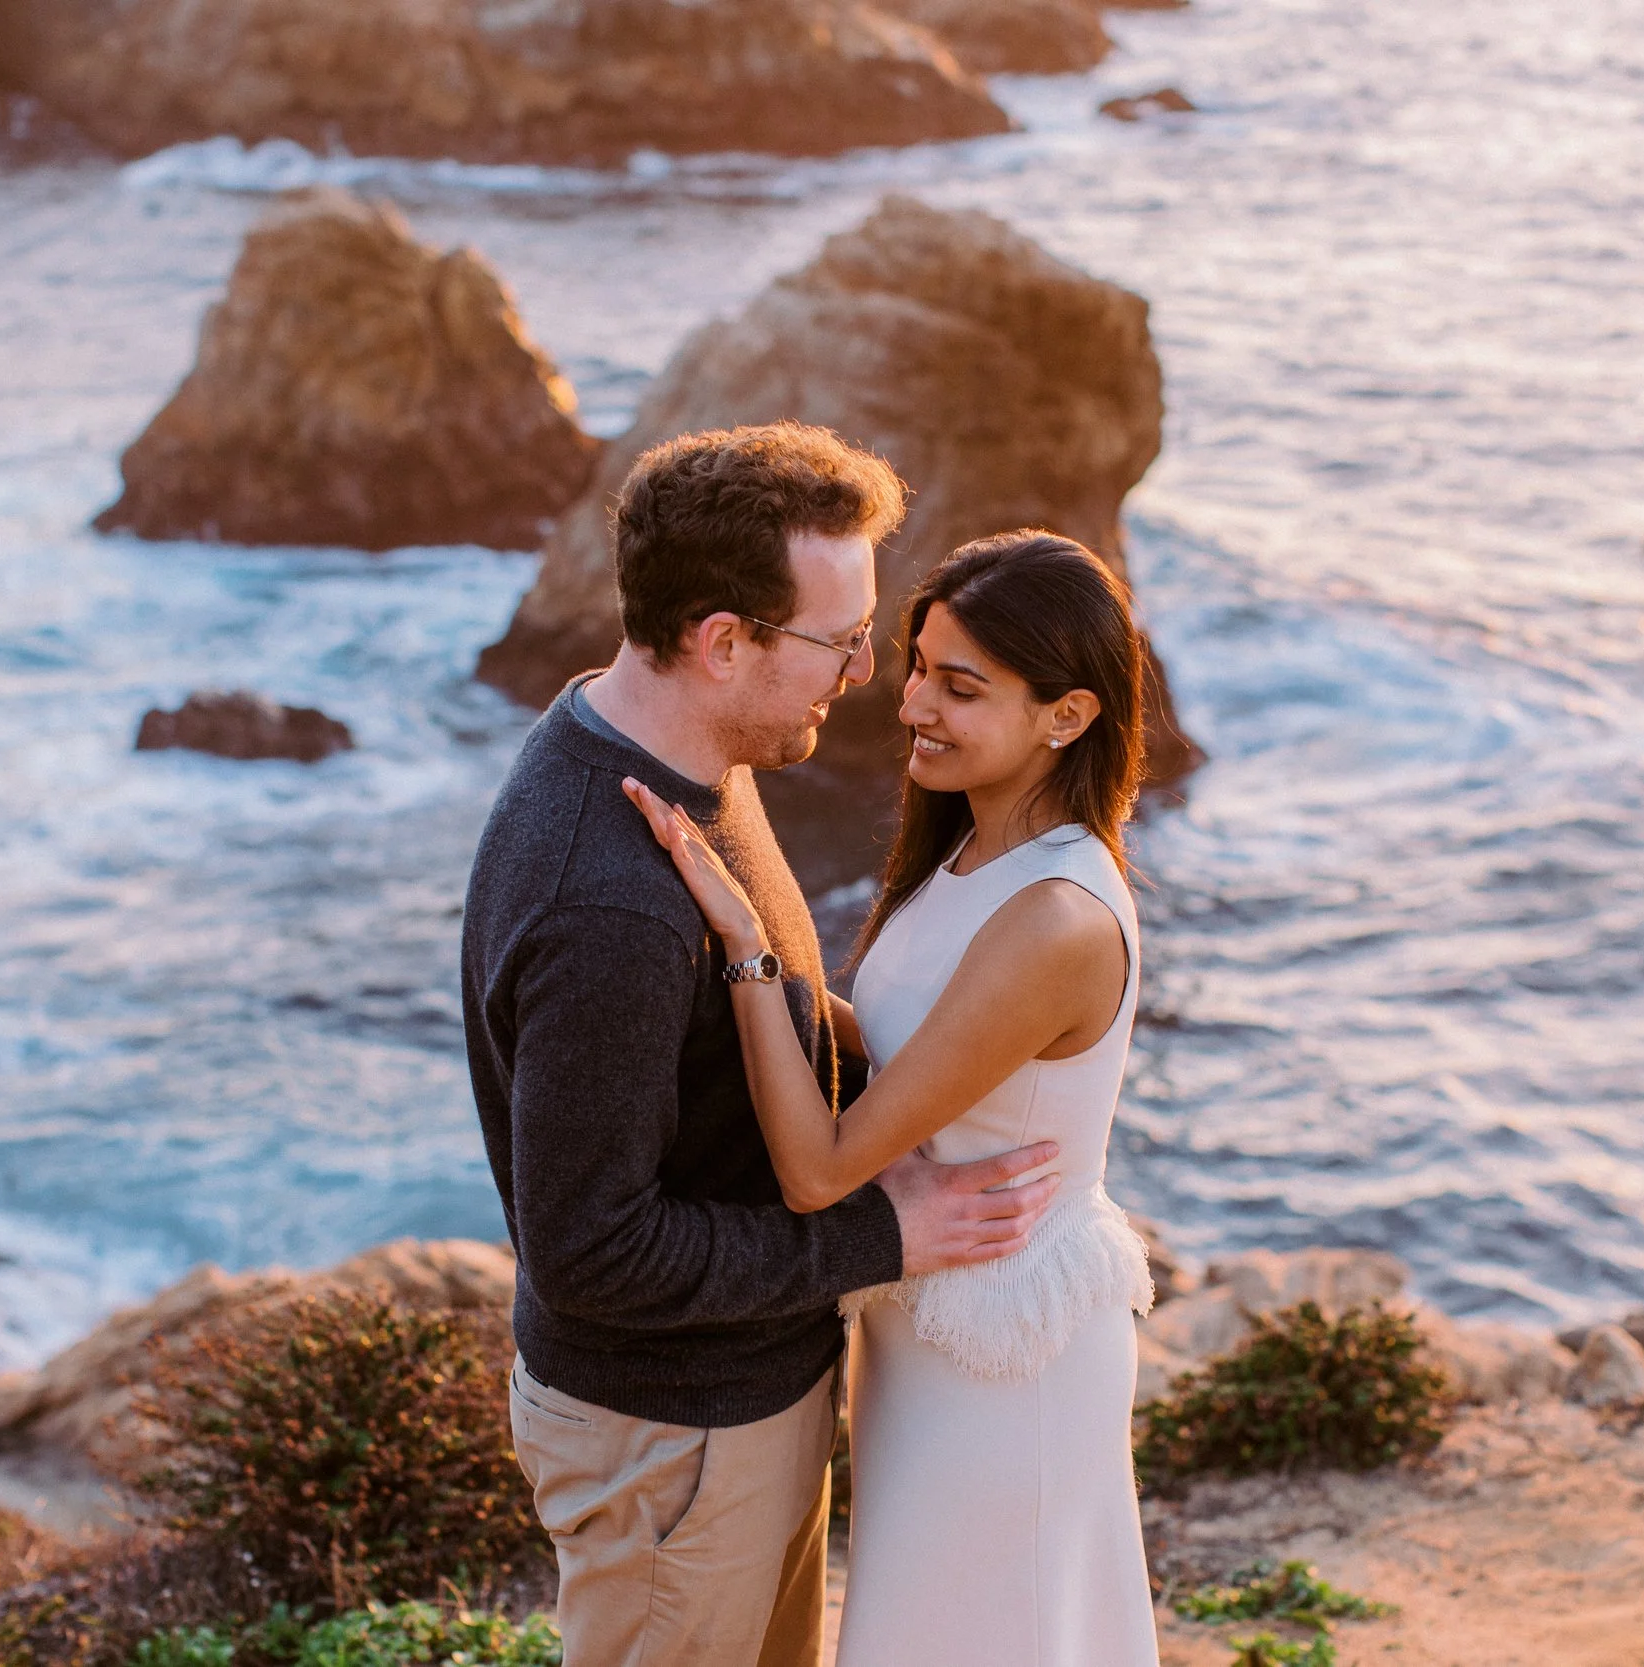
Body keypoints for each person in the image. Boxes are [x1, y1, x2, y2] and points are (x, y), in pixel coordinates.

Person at [461, 423, 1066, 1667]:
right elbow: (589, 1250)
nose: (860, 672)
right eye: (838, 640)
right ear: (721, 640)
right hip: (672, 1439)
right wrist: (882, 1233)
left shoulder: (681, 752)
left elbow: (761, 1021)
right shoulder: (609, 899)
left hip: (731, 1409)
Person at [624, 530, 1162, 1667]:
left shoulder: (1053, 918)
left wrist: (748, 952)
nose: (910, 700)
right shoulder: (974, 852)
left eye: (959, 686)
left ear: (1066, 715)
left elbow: (820, 1167)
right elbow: (916, 1051)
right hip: (933, 1313)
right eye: (917, 663)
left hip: (1004, 1345)